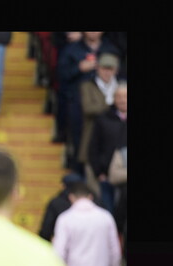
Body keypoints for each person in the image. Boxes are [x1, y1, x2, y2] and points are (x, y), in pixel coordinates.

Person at [51, 181, 122, 266]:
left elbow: (59, 252)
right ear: (90, 197)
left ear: (71, 197)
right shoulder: (105, 217)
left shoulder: (65, 219)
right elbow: (115, 252)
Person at [77, 53, 121, 179]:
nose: (107, 72)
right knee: (92, 180)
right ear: (98, 69)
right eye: (104, 68)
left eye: (110, 69)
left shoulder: (120, 86)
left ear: (116, 70)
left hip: (116, 142)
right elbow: (88, 108)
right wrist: (112, 106)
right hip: (93, 139)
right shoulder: (87, 86)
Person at [86, 83, 127, 213]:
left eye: (125, 96)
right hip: (106, 176)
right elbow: (93, 147)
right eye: (119, 97)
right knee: (107, 210)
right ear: (114, 99)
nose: (122, 100)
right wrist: (99, 172)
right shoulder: (103, 119)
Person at [38, 172, 84, 242]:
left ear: (63, 186)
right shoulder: (91, 202)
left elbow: (46, 229)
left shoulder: (55, 203)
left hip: (62, 244)